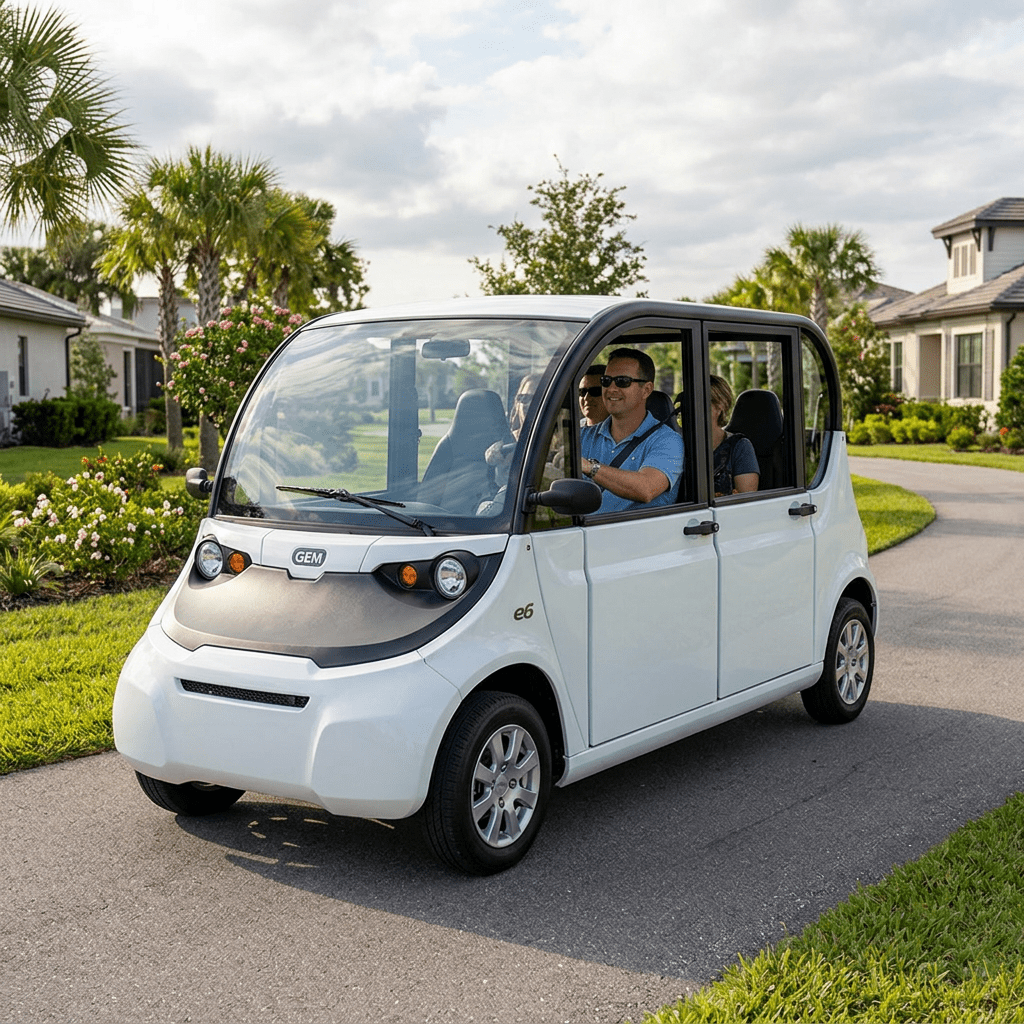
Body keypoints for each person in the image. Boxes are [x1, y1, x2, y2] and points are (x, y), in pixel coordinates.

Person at [581, 348, 684, 513]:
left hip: (639, 536)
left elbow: (646, 488)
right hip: (577, 534)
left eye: (622, 381)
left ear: (647, 390)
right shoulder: (582, 437)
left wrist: (589, 467)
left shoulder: (668, 441)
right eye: (606, 380)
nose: (611, 388)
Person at [709, 374, 759, 496]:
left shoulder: (740, 446)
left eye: (699, 402)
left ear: (720, 406)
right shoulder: (677, 444)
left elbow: (745, 503)